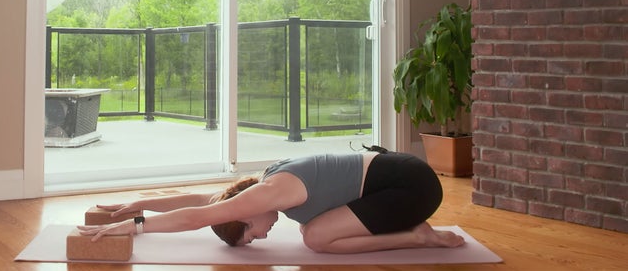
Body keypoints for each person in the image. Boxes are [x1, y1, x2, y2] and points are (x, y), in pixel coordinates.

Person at [77, 149, 465, 254]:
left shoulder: (272, 192)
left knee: (316, 238)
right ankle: (414, 232)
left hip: (411, 187)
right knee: (313, 233)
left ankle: (418, 237)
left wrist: (136, 225)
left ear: (247, 217)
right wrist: (139, 204)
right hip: (400, 175)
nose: (262, 238)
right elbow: (201, 198)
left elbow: (199, 216)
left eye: (250, 237)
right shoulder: (261, 185)